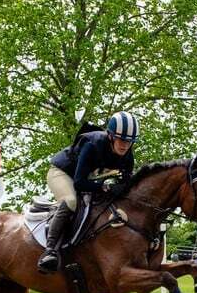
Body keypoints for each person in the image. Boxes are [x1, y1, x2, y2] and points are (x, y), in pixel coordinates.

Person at [37, 111, 138, 273]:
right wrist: (107, 187)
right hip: (62, 173)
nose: (125, 145)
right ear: (111, 136)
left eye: (129, 141)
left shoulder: (127, 155)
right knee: (71, 201)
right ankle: (50, 251)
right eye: (121, 139)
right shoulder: (92, 144)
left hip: (88, 179)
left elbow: (127, 183)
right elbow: (79, 183)